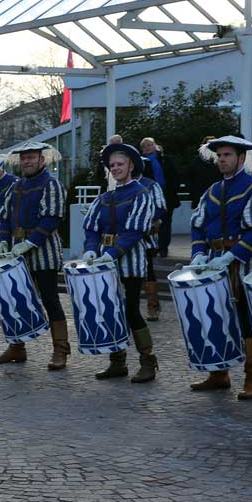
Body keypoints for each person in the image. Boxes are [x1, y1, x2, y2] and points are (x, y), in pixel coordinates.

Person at [188, 135, 252, 400]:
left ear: (241, 158)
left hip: (243, 263)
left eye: (227, 155)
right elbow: (198, 225)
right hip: (213, 263)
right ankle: (218, 373)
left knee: (247, 320)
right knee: (215, 316)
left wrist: (233, 255)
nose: (222, 160)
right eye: (220, 156)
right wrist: (199, 253)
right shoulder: (212, 191)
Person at [81, 143, 159, 383]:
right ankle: (117, 362)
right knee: (109, 309)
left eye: (120, 164)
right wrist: (91, 251)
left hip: (131, 263)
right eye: (112, 165)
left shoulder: (141, 194)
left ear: (131, 166)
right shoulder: (104, 198)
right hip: (105, 262)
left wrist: (112, 253)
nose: (115, 168)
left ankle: (148, 361)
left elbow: (135, 231)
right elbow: (91, 228)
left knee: (131, 310)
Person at [0, 142, 70, 370]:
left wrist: (29, 243)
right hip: (16, 255)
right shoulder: (16, 187)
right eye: (24, 158)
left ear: (41, 160)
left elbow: (52, 218)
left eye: (31, 158)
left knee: (50, 300)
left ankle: (61, 350)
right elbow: (4, 218)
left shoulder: (51, 184)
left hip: (43, 253)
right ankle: (17, 348)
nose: (27, 161)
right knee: (15, 300)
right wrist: (3, 240)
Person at [138, 160, 167, 322]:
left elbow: (160, 207)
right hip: (122, 240)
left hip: (145, 237)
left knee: (148, 272)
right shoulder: (118, 185)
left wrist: (142, 221)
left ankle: (152, 306)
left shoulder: (150, 185)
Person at [140, 137, 180, 257]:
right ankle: (151, 247)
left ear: (155, 145)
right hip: (149, 197)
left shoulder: (166, 160)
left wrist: (173, 190)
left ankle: (163, 247)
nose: (148, 147)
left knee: (166, 222)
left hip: (167, 196)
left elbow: (175, 176)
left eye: (150, 144)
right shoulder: (140, 162)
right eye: (145, 146)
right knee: (149, 223)